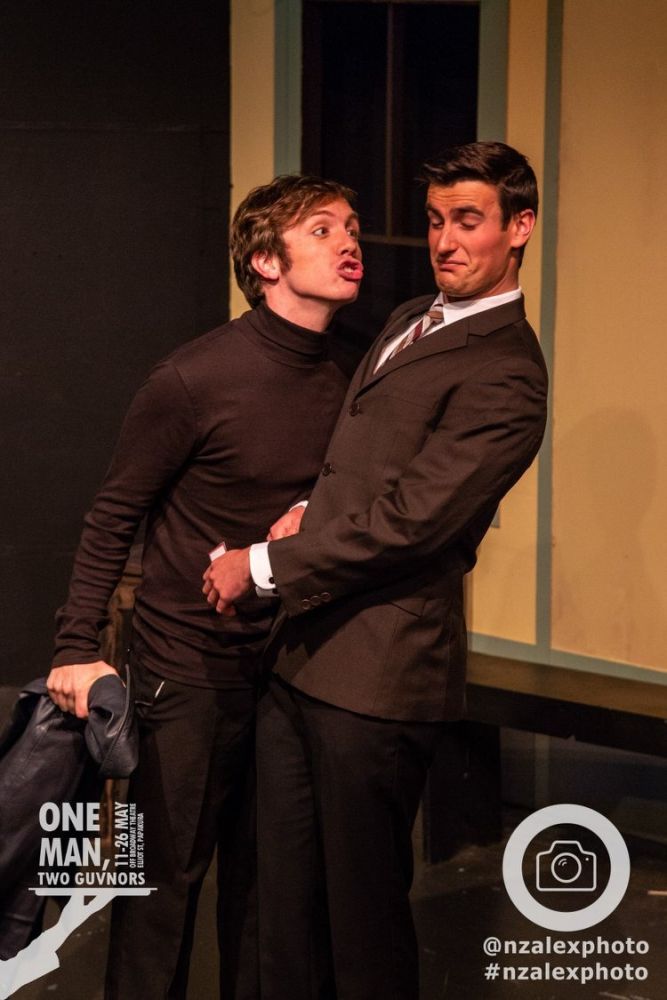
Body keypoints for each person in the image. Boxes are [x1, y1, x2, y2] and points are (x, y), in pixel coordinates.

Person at [203, 141, 549, 1000]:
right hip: (302, 657)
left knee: (360, 926)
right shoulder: (408, 318)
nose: (444, 241)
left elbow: (412, 523)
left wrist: (264, 563)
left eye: (466, 221)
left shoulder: (507, 372)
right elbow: (361, 465)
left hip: (379, 677)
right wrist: (307, 508)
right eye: (434, 221)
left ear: (518, 227)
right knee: (280, 910)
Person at [46, 173, 363, 999]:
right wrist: (76, 646)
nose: (348, 241)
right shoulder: (193, 378)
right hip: (186, 670)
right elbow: (114, 513)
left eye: (351, 226)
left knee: (267, 892)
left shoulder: (353, 372)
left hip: (292, 668)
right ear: (265, 261)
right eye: (322, 229)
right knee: (162, 887)